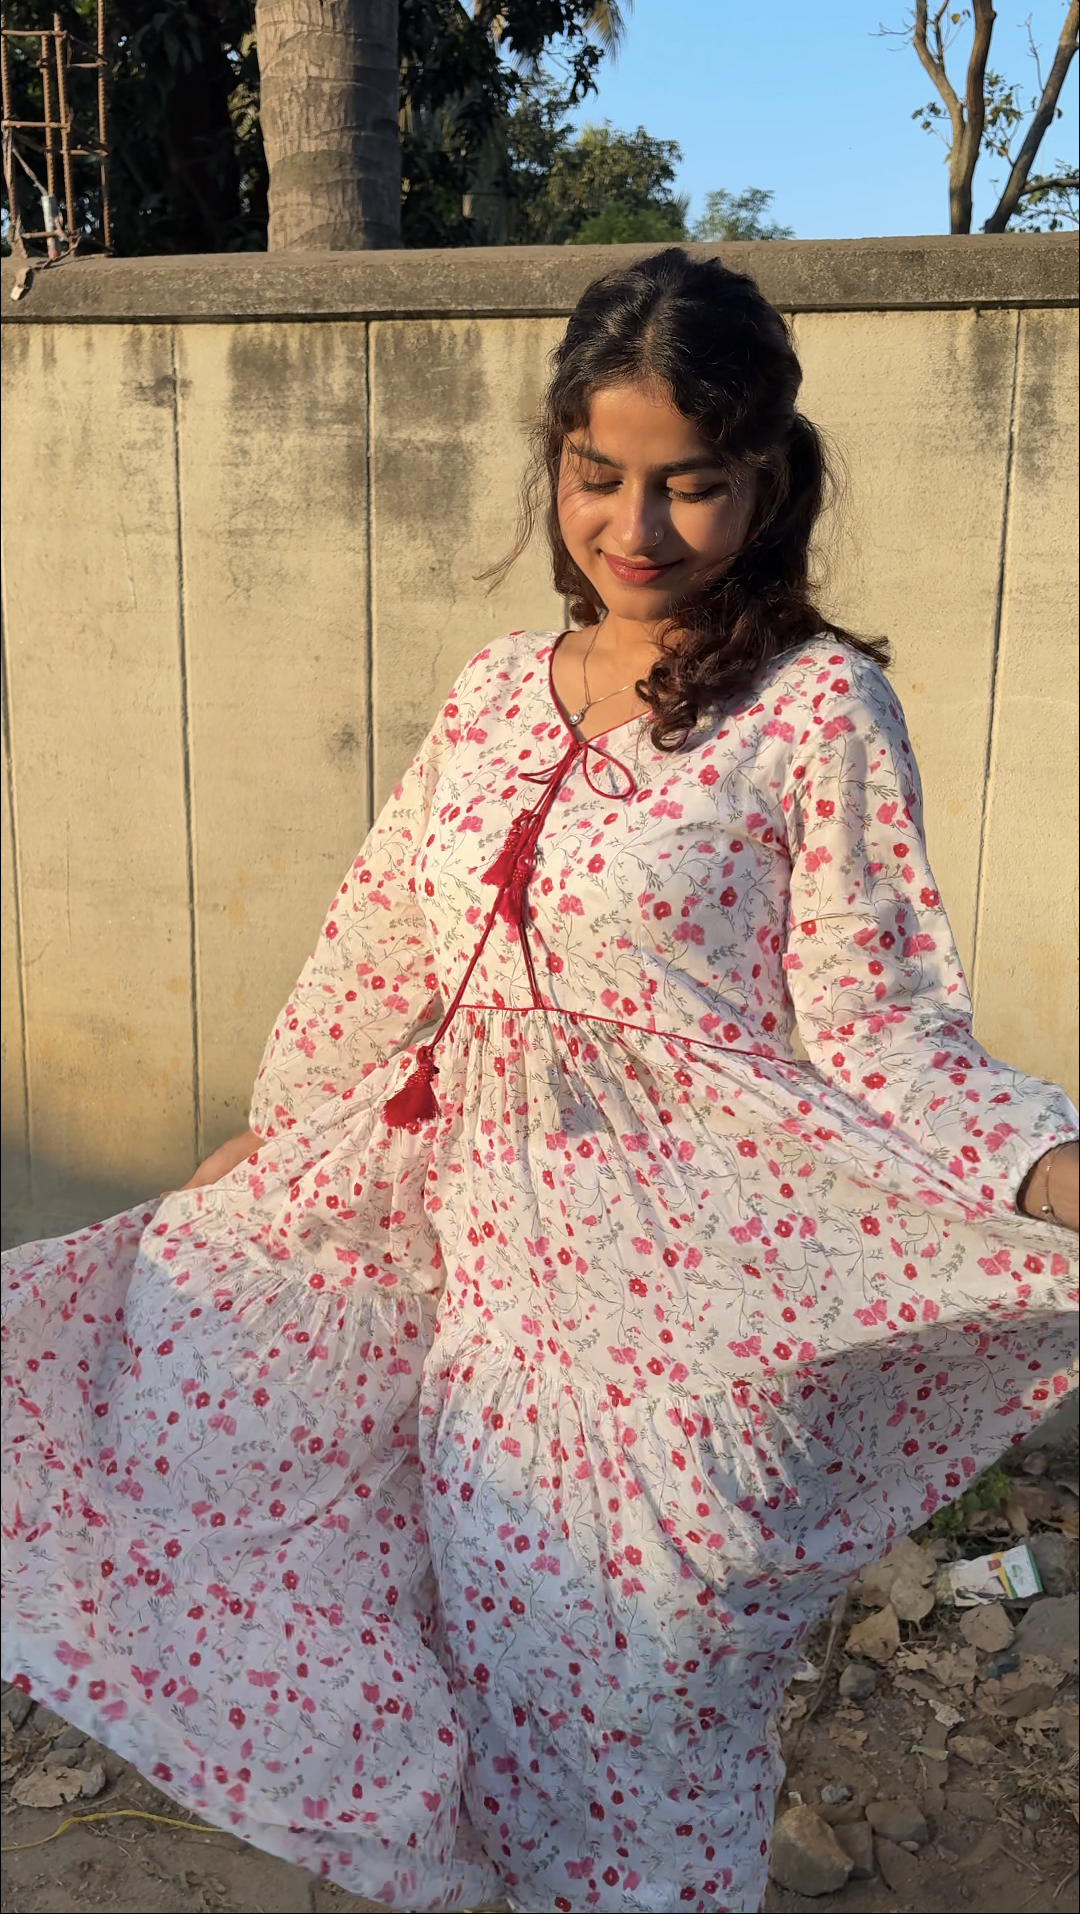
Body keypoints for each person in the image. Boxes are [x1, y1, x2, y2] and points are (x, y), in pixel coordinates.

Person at [2, 248, 1077, 1914]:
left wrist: (1045, 1165)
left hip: (689, 1364)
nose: (635, 527)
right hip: (489, 1331)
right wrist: (275, 1136)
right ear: (555, 460)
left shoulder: (815, 710)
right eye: (597, 474)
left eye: (689, 482)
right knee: (501, 1727)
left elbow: (887, 1027)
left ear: (766, 481)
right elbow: (384, 946)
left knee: (649, 1752)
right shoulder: (495, 692)